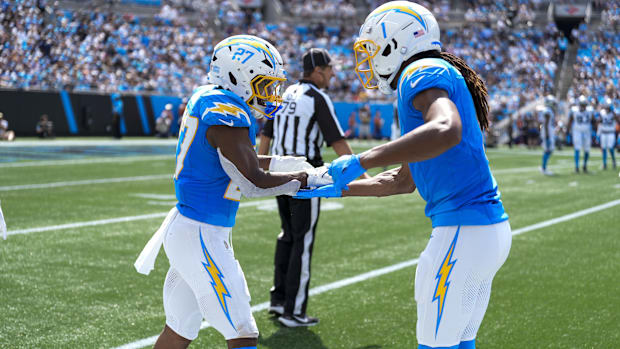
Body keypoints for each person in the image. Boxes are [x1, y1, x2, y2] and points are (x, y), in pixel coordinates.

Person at [297, 2, 511, 348]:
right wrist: (338, 187)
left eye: (371, 49)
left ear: (396, 42)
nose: (366, 60)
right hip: (483, 231)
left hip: (463, 230)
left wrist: (361, 160)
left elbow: (446, 128)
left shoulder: (420, 71)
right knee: (458, 343)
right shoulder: (427, 75)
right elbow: (402, 181)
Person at [134, 35, 328, 349]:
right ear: (237, 76)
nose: (270, 93)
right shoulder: (226, 112)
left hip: (191, 230)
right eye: (264, 84)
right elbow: (251, 181)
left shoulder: (209, 98)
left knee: (180, 330)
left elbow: (240, 160)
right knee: (243, 334)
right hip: (201, 234)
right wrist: (305, 180)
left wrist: (291, 164)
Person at [258, 48, 365, 327]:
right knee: (301, 241)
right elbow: (339, 143)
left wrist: (260, 170)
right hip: (305, 177)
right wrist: (362, 176)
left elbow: (265, 137)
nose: (332, 73)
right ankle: (294, 311)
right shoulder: (317, 98)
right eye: (329, 68)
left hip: (278, 172)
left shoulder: (282, 94)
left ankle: (279, 300)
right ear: (317, 70)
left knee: (287, 236)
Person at [568, 95, 595, 173]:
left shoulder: (590, 110)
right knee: (577, 148)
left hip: (587, 131)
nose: (583, 106)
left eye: (584, 105)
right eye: (582, 104)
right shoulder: (574, 110)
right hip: (577, 131)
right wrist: (568, 130)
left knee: (587, 149)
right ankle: (576, 167)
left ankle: (584, 166)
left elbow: (594, 120)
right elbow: (570, 120)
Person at [597, 97, 619, 169]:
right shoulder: (602, 112)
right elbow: (599, 121)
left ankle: (613, 161)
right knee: (603, 148)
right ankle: (604, 163)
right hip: (603, 132)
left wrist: (613, 112)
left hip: (610, 132)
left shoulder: (613, 113)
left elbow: (618, 120)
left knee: (610, 148)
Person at [538, 95, 556, 175]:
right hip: (548, 133)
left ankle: (544, 167)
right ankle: (544, 168)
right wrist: (547, 135)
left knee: (549, 150)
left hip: (548, 132)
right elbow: (545, 124)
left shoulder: (547, 110)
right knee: (548, 150)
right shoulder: (547, 111)